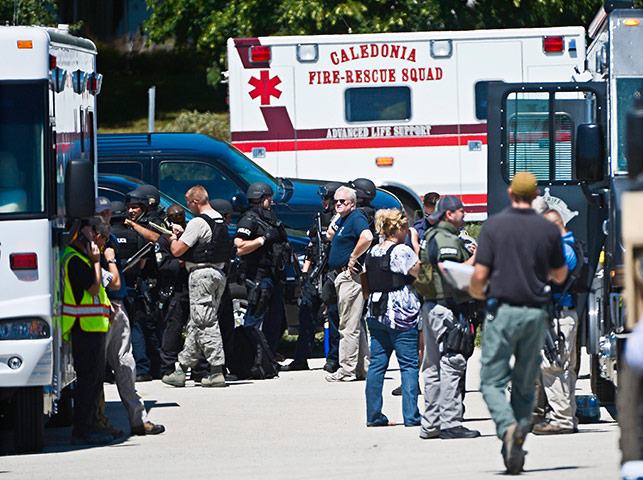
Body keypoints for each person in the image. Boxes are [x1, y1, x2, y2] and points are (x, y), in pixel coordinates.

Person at [470, 171, 567, 475]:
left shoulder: (493, 227)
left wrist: (473, 290)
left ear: (511, 194)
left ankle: (507, 426)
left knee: (491, 381)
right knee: (525, 385)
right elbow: (561, 274)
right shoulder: (547, 230)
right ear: (536, 195)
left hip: (503, 311)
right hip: (536, 313)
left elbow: (480, 277)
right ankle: (519, 436)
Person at [93, 204, 165, 436]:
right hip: (100, 309)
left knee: (126, 363)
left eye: (108, 213)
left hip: (117, 305)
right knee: (96, 371)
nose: (107, 216)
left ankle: (138, 420)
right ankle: (98, 422)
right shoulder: (90, 241)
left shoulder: (110, 237)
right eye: (102, 213)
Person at [417, 195, 480, 440]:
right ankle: (450, 423)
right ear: (448, 214)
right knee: (452, 364)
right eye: (460, 211)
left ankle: (431, 424)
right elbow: (450, 270)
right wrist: (478, 257)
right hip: (445, 310)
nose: (464, 214)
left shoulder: (432, 235)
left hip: (432, 308)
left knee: (432, 368)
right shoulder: (445, 238)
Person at [162, 186, 228, 388]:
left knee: (206, 323)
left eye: (189, 204)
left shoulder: (198, 222)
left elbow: (177, 250)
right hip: (218, 274)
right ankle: (181, 370)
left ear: (195, 202)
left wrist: (174, 238)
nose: (188, 209)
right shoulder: (218, 218)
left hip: (201, 276)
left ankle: (216, 370)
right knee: (196, 324)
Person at [364, 208, 422, 426]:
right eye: (406, 227)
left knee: (378, 364)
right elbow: (422, 274)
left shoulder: (373, 252)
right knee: (408, 365)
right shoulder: (402, 252)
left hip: (376, 312)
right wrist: (416, 246)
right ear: (398, 228)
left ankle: (374, 415)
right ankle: (411, 415)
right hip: (401, 314)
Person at [61, 217, 112, 445]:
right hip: (84, 327)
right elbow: (93, 288)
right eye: (91, 232)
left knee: (92, 381)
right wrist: (97, 262)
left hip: (91, 326)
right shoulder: (75, 259)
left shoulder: (78, 258)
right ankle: (83, 430)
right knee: (87, 381)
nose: (94, 237)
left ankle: (89, 426)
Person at [282, 182, 343, 372]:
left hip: (332, 275)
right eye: (322, 198)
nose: (323, 202)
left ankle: (334, 359)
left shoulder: (342, 220)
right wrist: (305, 274)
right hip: (315, 275)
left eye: (326, 198)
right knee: (306, 315)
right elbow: (311, 247)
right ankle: (301, 358)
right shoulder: (318, 219)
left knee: (333, 317)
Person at [532, 209, 579, 435]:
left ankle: (562, 418)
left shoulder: (563, 249)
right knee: (565, 368)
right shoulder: (570, 245)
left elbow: (549, 274)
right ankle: (567, 415)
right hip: (564, 315)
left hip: (559, 317)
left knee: (553, 366)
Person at [234, 182, 289, 355]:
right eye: (269, 199)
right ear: (261, 199)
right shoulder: (249, 219)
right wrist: (262, 239)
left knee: (277, 321)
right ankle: (249, 356)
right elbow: (239, 247)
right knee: (254, 317)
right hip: (259, 275)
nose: (271, 202)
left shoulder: (269, 218)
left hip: (274, 275)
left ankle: (267, 356)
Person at [325, 186, 372, 382]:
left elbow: (367, 237)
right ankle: (363, 368)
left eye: (342, 201)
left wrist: (353, 257)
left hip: (350, 277)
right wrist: (336, 218)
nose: (337, 204)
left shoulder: (356, 218)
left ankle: (347, 370)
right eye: (336, 201)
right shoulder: (343, 220)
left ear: (352, 203)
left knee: (348, 326)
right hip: (342, 277)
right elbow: (329, 235)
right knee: (355, 324)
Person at [125, 188, 163, 380]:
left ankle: (156, 367)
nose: (131, 211)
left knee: (150, 324)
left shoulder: (152, 222)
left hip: (154, 280)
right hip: (139, 280)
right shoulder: (128, 225)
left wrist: (134, 226)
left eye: (135, 208)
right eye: (129, 208)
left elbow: (157, 239)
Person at [157, 204, 191, 378]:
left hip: (193, 287)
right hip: (174, 290)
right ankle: (167, 367)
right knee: (173, 329)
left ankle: (199, 367)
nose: (177, 220)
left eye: (180, 217)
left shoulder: (191, 236)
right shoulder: (163, 240)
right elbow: (162, 265)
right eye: (173, 218)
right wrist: (181, 263)